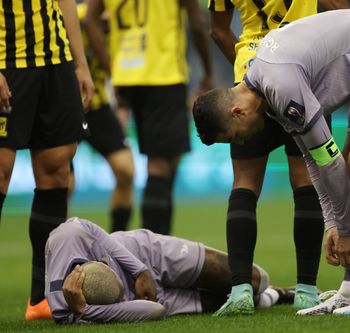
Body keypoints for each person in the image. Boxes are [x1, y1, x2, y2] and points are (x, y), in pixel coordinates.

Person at [193, 9, 350, 315]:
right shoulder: (263, 85)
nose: (241, 143)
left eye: (233, 137)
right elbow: (315, 161)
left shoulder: (280, 86)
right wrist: (333, 224)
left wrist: (346, 231)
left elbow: (329, 162)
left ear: (237, 113)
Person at [207, 0, 349, 316]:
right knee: (306, 179)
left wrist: (253, 71)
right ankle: (307, 292)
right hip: (303, 74)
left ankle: (241, 290)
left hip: (249, 77)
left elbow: (218, 30)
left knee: (244, 183)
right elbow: (339, 9)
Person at [85, 0, 214, 235]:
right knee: (160, 166)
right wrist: (207, 72)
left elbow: (91, 19)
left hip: (127, 75)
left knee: (168, 159)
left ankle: (157, 243)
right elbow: (196, 22)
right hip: (163, 74)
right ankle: (154, 252)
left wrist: (112, 70)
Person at [0, 0, 94, 320]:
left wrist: (80, 63)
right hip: (6, 59)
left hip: (56, 60)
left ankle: (41, 297)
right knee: (0, 171)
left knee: (56, 169)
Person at [46, 217, 287, 323]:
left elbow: (87, 226)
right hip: (141, 300)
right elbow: (156, 309)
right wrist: (85, 311)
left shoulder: (65, 238)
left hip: (144, 253)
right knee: (238, 300)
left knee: (254, 279)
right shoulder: (67, 312)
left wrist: (140, 271)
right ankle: (278, 295)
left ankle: (269, 290)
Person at [70, 1, 135, 232]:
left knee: (126, 170)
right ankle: (62, 243)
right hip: (68, 108)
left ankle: (118, 240)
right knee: (63, 183)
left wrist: (122, 110)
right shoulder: (75, 18)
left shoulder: (125, 27)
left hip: (99, 107)